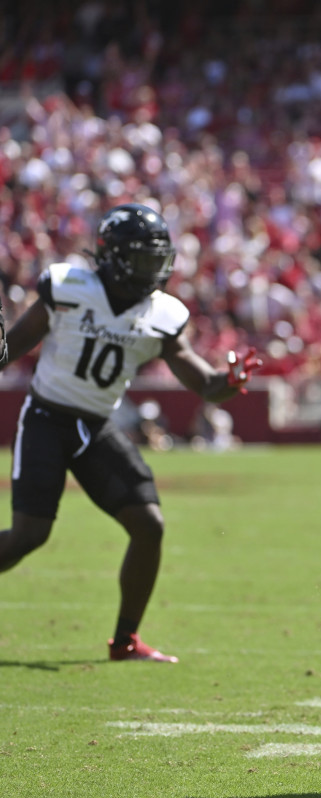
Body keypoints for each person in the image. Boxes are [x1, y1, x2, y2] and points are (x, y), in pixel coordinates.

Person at [0, 202, 261, 663]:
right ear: (113, 255)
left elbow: (202, 382)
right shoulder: (70, 288)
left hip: (96, 425)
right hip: (47, 418)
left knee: (148, 524)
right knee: (28, 536)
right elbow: (11, 349)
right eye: (142, 258)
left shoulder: (162, 313)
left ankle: (125, 640)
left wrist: (229, 382)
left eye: (157, 260)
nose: (152, 270)